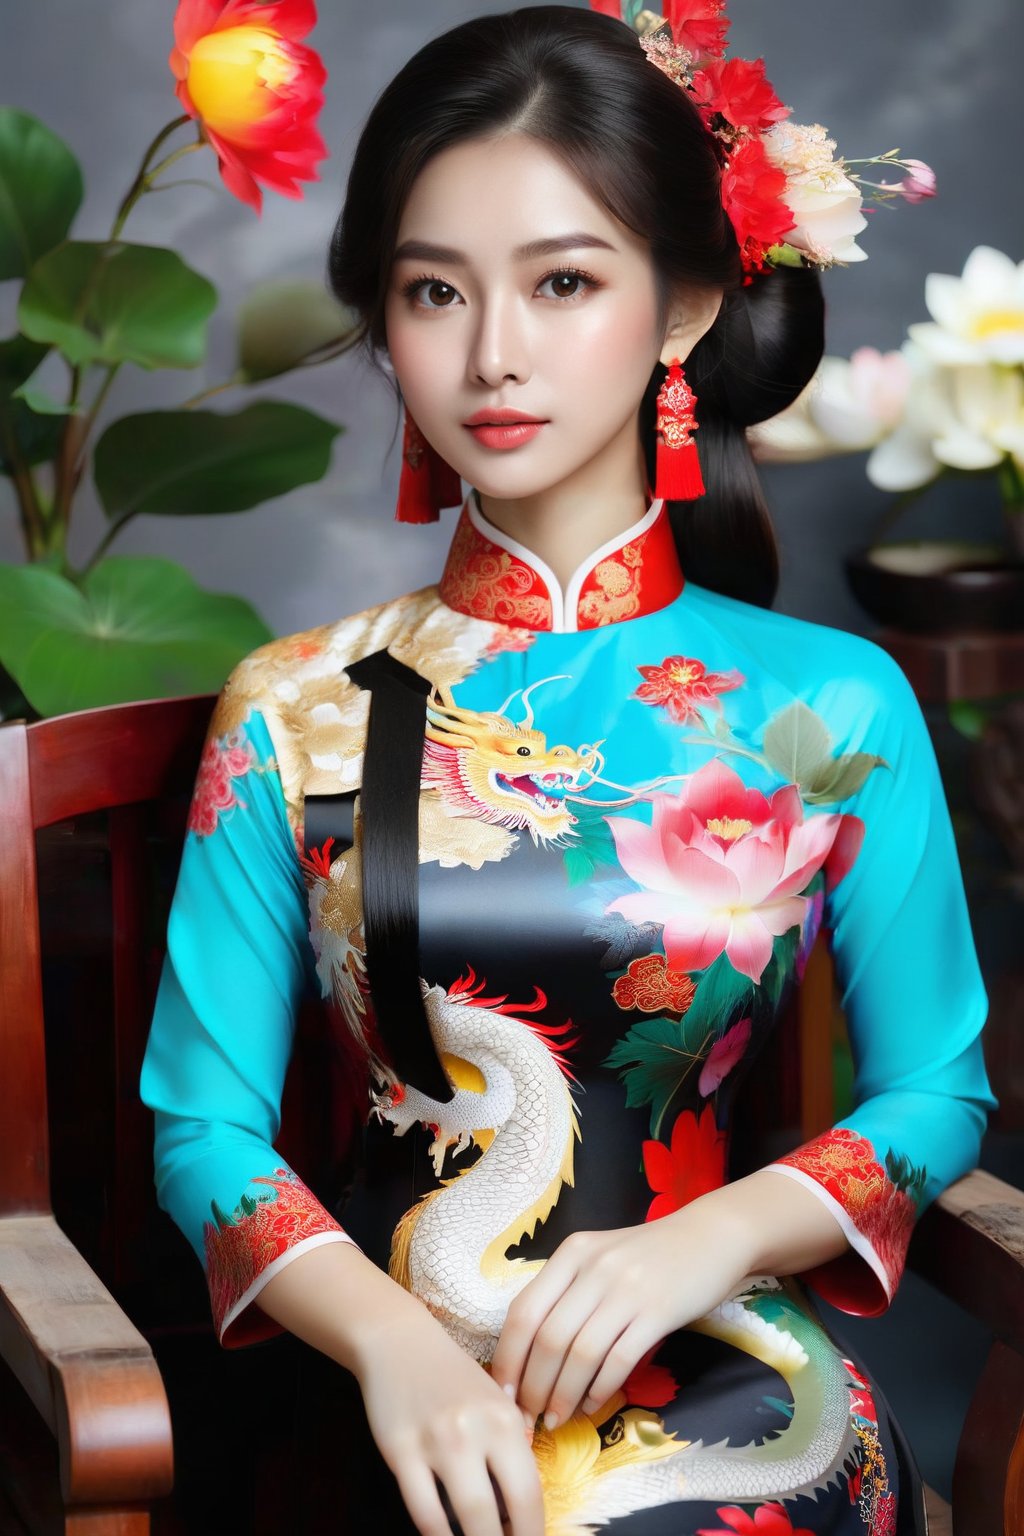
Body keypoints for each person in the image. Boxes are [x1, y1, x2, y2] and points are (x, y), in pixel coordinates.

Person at [139, 6, 997, 1533]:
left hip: (721, 1357)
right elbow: (202, 1128)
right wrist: (396, 1347)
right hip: (381, 1377)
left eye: (562, 283)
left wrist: (702, 1243)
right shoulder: (296, 711)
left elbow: (936, 1091)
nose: (490, 356)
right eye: (432, 292)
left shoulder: (830, 706)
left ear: (680, 310)